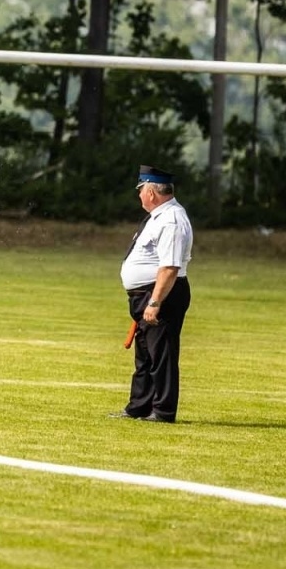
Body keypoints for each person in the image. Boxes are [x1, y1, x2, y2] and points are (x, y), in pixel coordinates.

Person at [115, 164, 194, 422]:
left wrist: (155, 302)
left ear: (150, 192)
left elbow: (170, 267)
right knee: (146, 355)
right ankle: (139, 406)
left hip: (162, 294)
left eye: (140, 190)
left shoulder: (170, 220)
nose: (139, 196)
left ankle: (162, 411)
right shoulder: (159, 216)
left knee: (161, 355)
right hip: (147, 295)